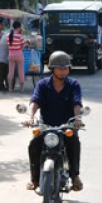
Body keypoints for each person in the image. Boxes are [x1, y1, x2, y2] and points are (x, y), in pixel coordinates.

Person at [24, 51, 84, 192]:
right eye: (59, 68)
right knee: (34, 144)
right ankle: (34, 179)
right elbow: (35, 101)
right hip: (46, 125)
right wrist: (31, 117)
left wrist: (77, 119)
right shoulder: (43, 84)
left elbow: (77, 103)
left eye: (65, 68)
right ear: (52, 69)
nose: (63, 71)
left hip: (66, 125)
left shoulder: (74, 84)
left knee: (74, 142)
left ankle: (74, 176)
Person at [6, 20, 26, 93]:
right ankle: (21, 89)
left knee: (10, 72)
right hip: (19, 55)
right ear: (19, 27)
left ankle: (10, 88)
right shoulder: (20, 36)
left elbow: (9, 45)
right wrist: (25, 42)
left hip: (10, 55)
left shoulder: (8, 35)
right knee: (21, 71)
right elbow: (22, 47)